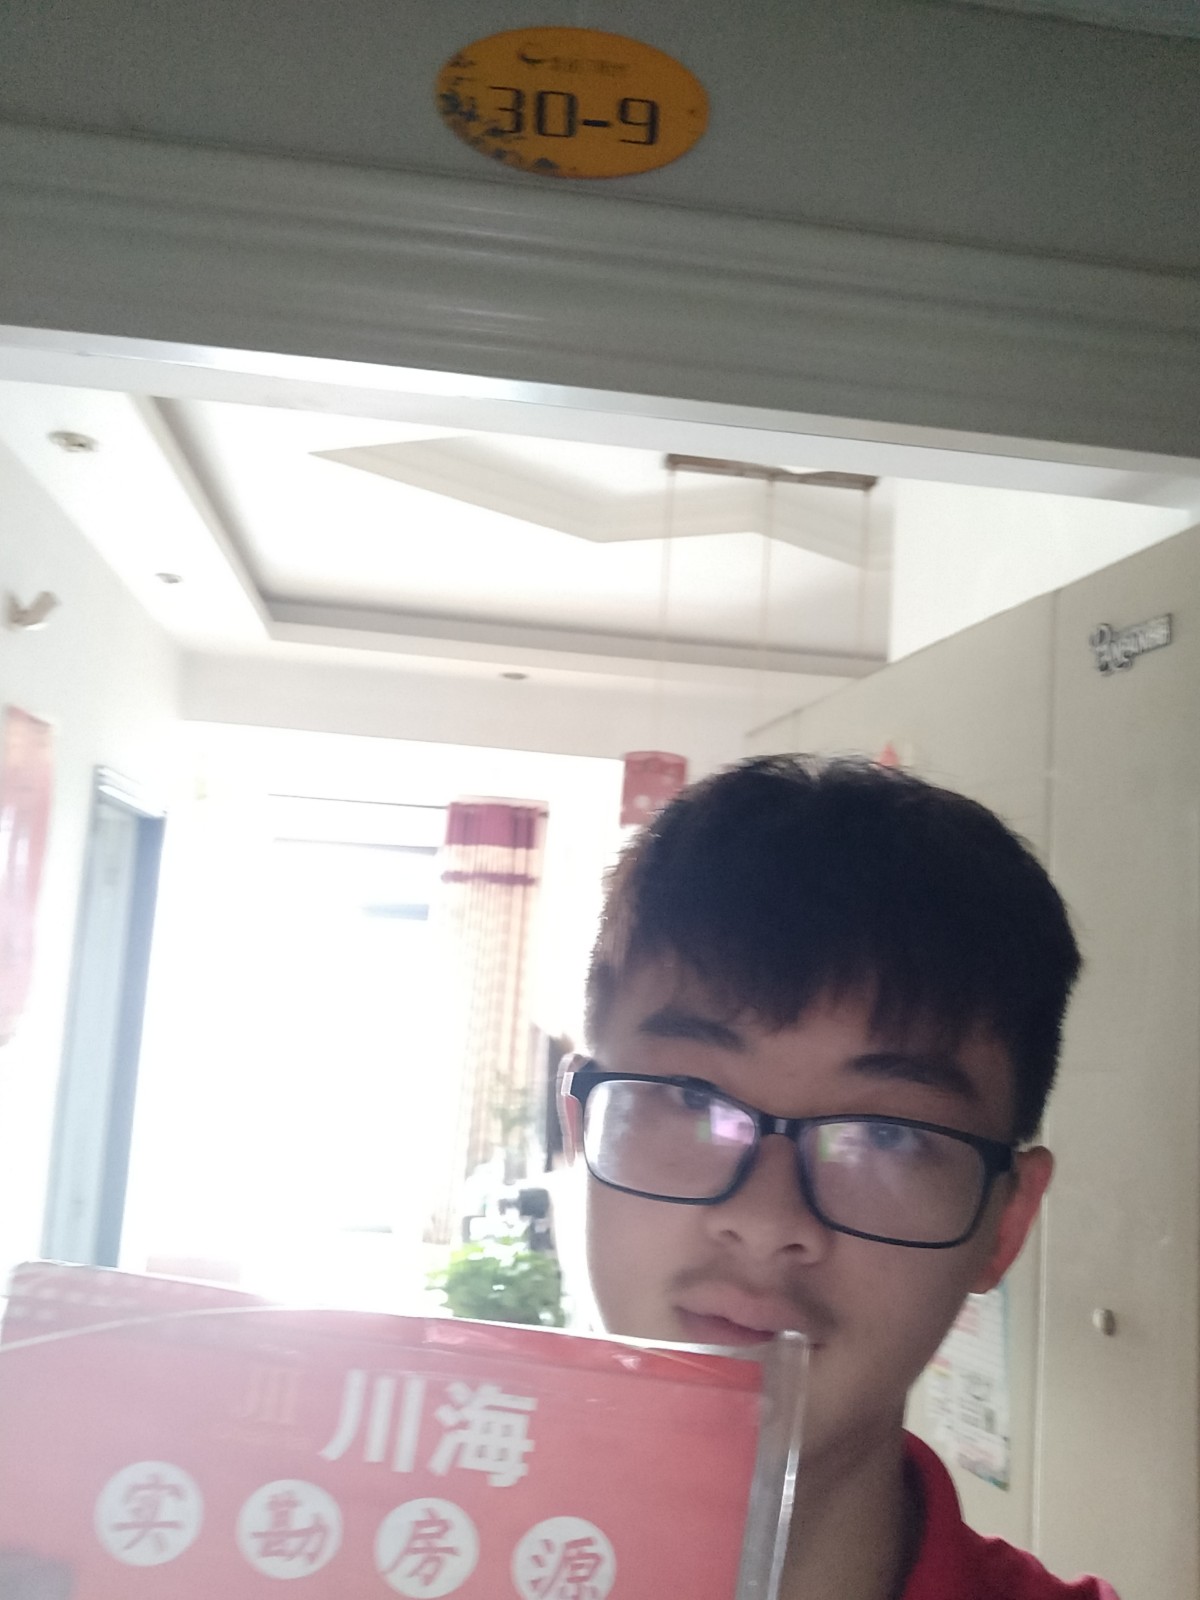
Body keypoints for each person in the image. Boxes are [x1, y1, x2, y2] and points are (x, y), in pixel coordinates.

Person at [559, 755, 1117, 1600]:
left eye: (886, 1137)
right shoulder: (372, 1547)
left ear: (1004, 1227)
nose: (765, 1221)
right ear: (578, 1131)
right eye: (693, 1099)